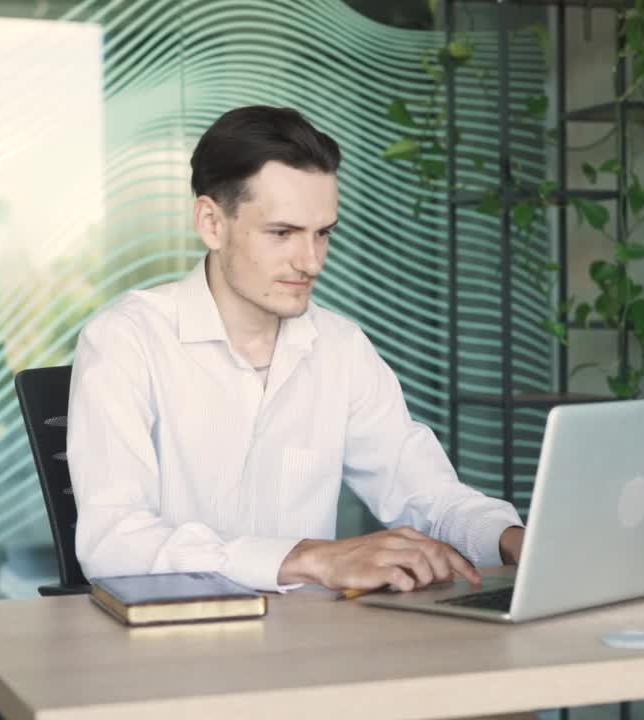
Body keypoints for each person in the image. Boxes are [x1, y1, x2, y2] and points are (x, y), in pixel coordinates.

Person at [67, 105, 524, 593]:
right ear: (211, 222)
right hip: (177, 648)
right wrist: (306, 558)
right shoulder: (125, 341)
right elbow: (114, 540)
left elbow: (426, 493)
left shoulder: (341, 348)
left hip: (310, 644)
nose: (310, 262)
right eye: (282, 233)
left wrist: (514, 540)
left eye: (322, 233)